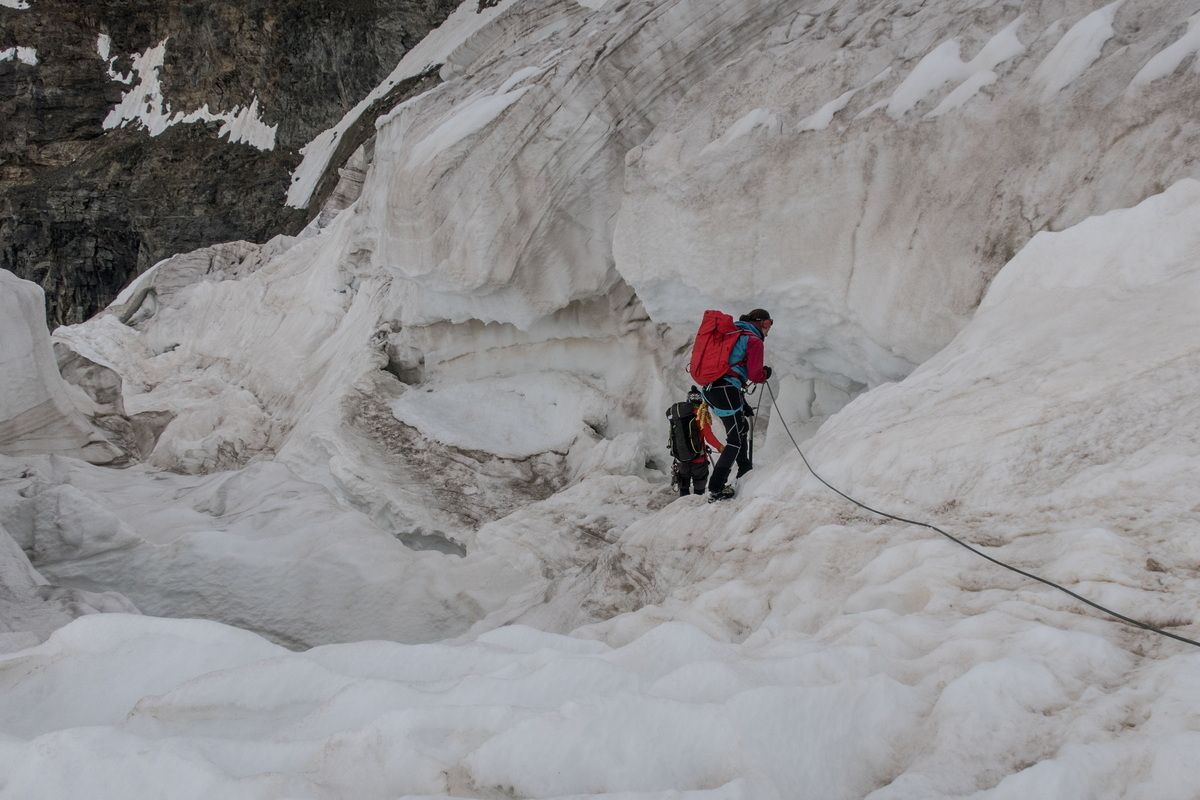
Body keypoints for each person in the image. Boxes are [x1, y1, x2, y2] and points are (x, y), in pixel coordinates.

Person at [703, 309, 772, 501]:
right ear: (760, 323)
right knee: (735, 438)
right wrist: (766, 373)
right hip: (726, 389)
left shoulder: (734, 333)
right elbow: (755, 375)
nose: (769, 329)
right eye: (768, 324)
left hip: (714, 389)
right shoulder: (754, 340)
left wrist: (741, 403)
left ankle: (744, 468)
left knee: (741, 428)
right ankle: (716, 488)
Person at [669, 386, 723, 497]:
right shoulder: (700, 415)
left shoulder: (679, 416)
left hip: (681, 459)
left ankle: (683, 507)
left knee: (684, 486)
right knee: (699, 486)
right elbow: (709, 436)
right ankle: (696, 508)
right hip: (698, 460)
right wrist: (720, 447)